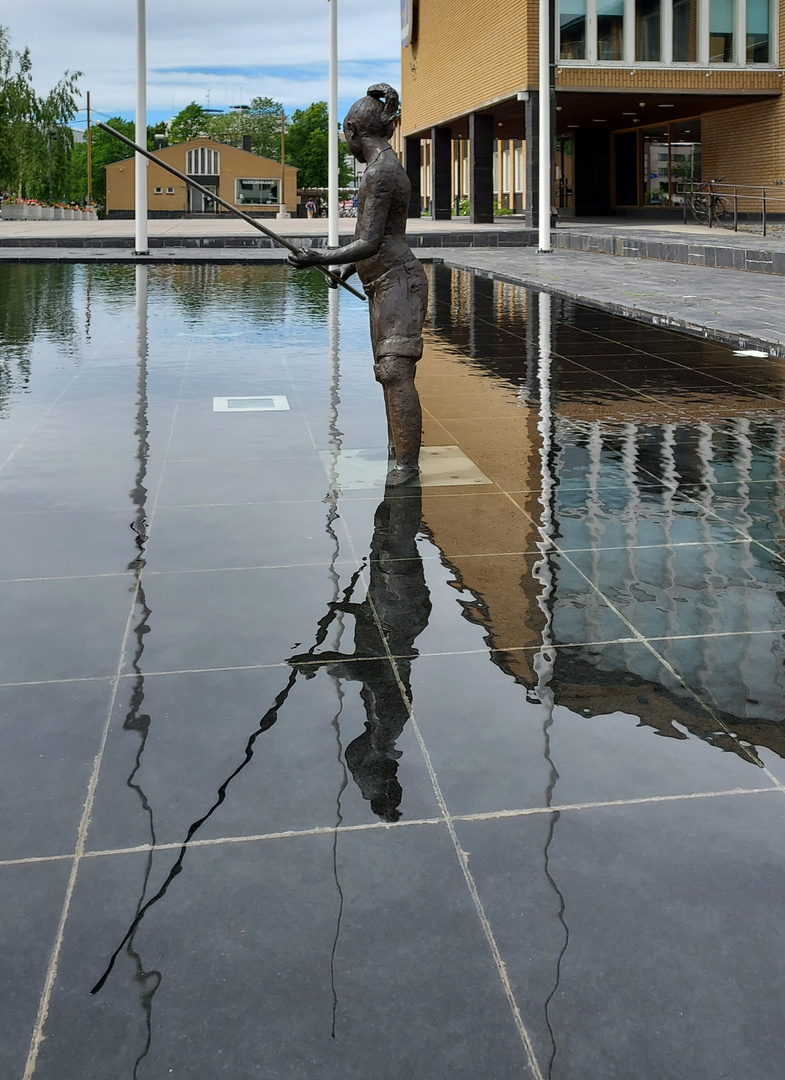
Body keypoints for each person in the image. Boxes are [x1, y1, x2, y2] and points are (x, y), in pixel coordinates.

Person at [288, 83, 428, 486]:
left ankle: (406, 464)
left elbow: (369, 241)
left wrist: (319, 257)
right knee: (388, 373)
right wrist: (348, 270)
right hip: (385, 283)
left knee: (395, 372)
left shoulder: (381, 172)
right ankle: (397, 451)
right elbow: (375, 241)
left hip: (398, 283)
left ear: (351, 130)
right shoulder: (382, 166)